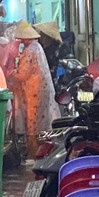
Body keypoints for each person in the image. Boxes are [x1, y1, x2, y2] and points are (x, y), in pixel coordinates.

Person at [7, 22, 59, 158]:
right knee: (40, 123)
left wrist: (10, 73)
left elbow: (23, 74)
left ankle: (34, 155)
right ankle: (40, 153)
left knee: (33, 124)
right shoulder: (37, 46)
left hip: (35, 92)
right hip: (40, 90)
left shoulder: (30, 50)